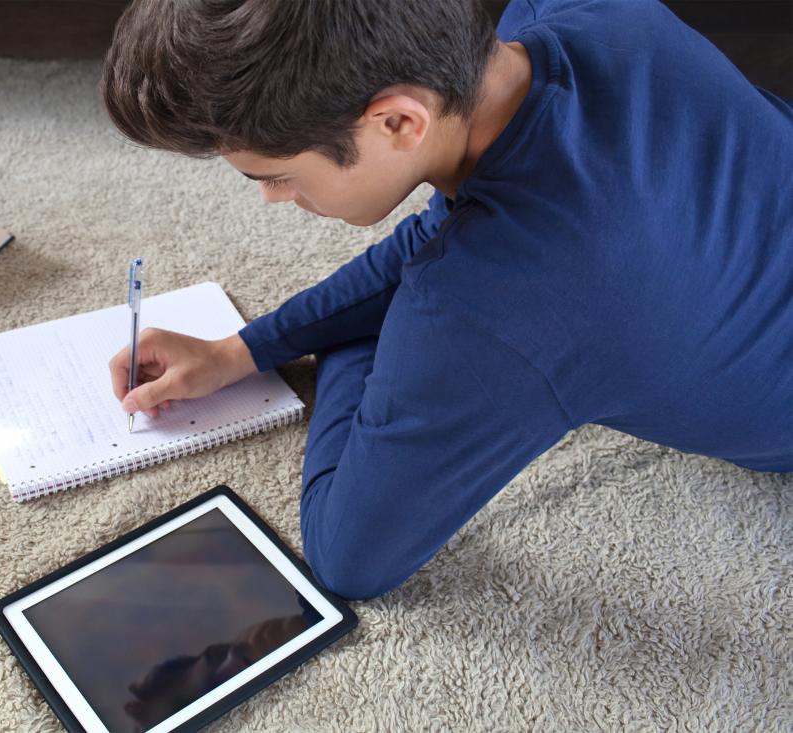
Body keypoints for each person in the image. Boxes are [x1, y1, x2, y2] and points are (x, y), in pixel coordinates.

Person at [102, 0, 793, 600]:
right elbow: (442, 228)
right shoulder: (586, 16)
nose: (271, 199)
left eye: (277, 175)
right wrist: (243, 349)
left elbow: (349, 554)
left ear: (400, 123)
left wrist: (360, 334)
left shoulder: (491, 306)